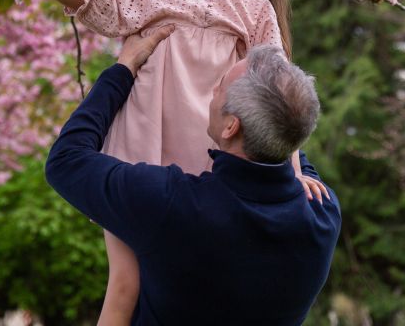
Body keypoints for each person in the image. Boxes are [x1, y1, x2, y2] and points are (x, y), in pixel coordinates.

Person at [48, 0, 323, 325]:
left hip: (212, 161)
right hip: (140, 154)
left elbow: (273, 90)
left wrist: (293, 171)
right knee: (124, 285)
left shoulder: (252, 9)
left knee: (190, 285)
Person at [45, 28, 341, 326]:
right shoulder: (322, 215)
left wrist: (124, 68)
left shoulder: (172, 205)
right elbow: (288, 130)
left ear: (230, 127)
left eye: (220, 87)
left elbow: (65, 160)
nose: (211, 91)